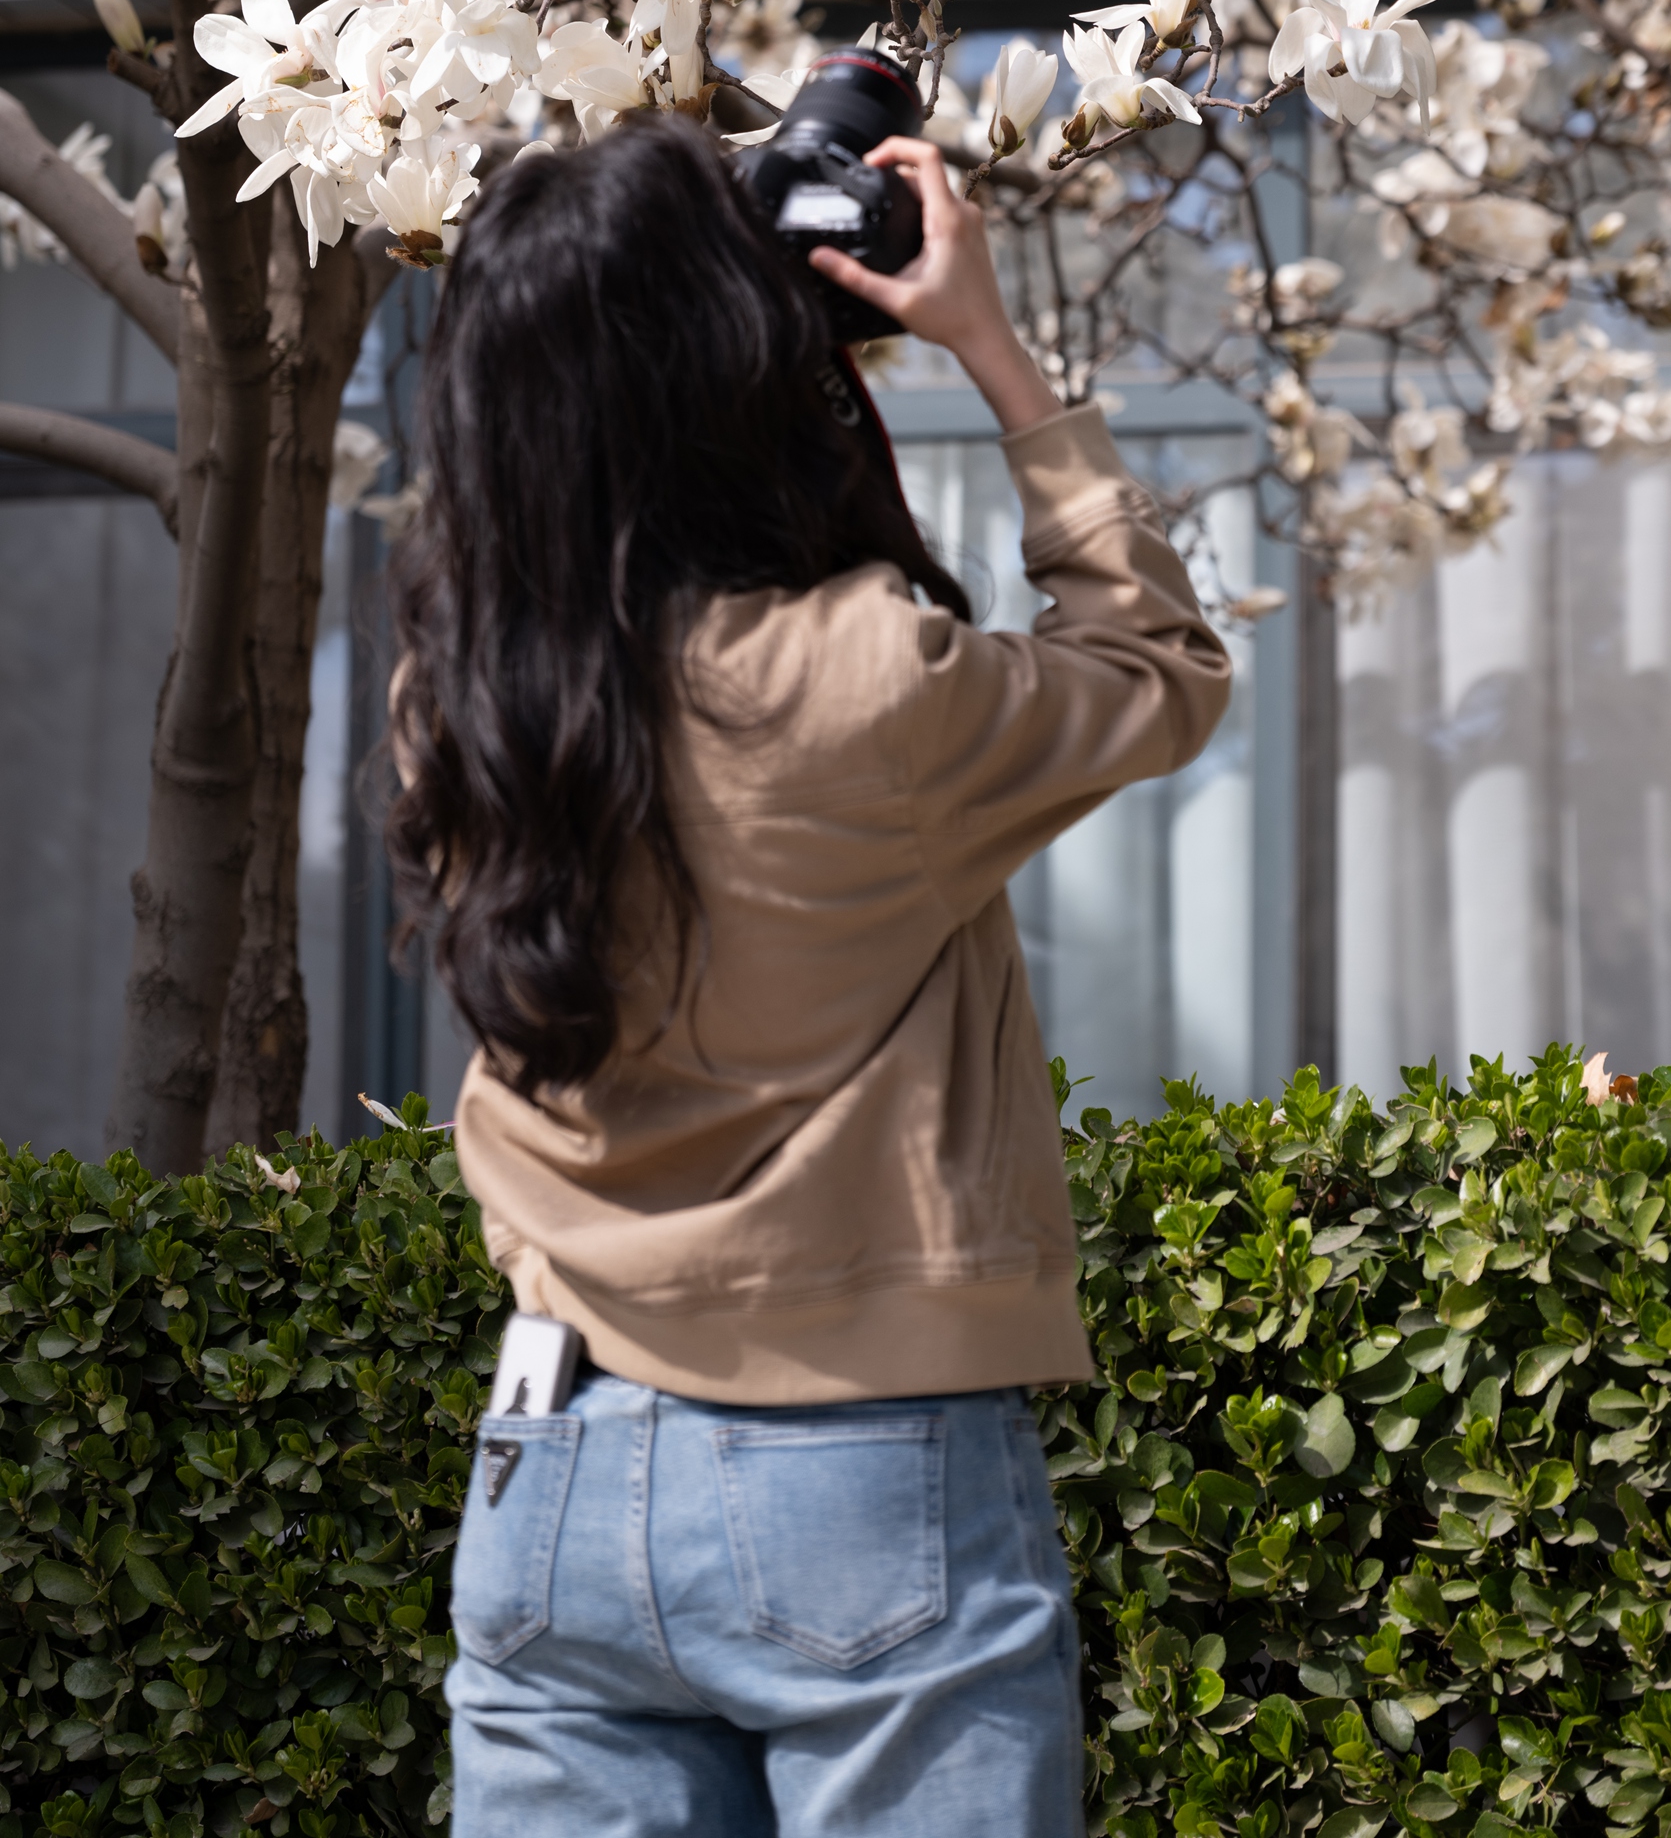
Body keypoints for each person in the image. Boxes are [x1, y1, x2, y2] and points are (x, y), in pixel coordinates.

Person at [386, 109, 1232, 1837]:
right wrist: (987, 349)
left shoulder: (458, 709)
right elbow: (1159, 666)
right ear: (738, 357)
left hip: (551, 1461)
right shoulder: (865, 680)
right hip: (862, 1467)